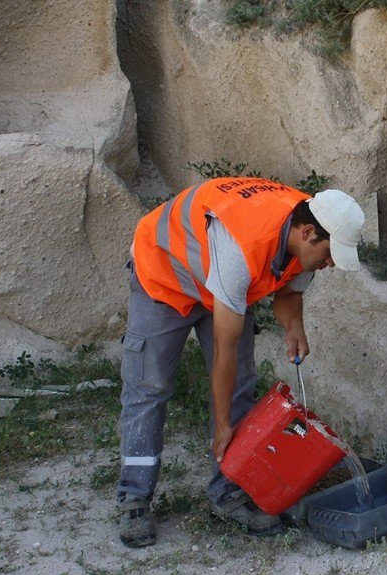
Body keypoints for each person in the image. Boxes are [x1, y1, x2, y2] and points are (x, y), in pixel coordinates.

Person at [115, 176, 365, 547]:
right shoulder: (243, 245)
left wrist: (294, 326)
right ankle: (134, 497)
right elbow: (225, 348)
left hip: (222, 283)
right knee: (149, 386)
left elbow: (289, 292)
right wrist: (222, 425)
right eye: (329, 254)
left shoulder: (308, 227)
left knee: (242, 386)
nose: (330, 263)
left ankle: (227, 491)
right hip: (166, 274)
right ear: (308, 232)